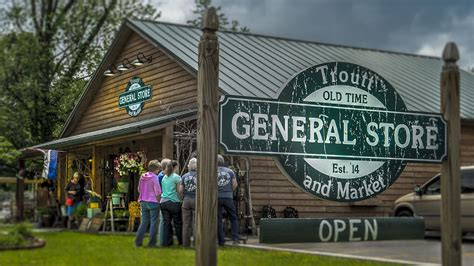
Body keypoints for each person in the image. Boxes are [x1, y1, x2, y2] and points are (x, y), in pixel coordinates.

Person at [135, 160, 162, 247]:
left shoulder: (142, 176)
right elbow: (157, 192)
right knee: (154, 223)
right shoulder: (155, 177)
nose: (159, 171)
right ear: (156, 169)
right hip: (153, 202)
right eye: (158, 169)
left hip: (143, 201)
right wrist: (159, 201)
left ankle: (138, 242)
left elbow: (139, 189)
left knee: (144, 222)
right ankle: (152, 243)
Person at [217, 155, 239, 246]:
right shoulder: (230, 171)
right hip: (228, 198)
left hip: (217, 198)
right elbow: (235, 184)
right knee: (233, 218)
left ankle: (221, 241)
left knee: (218, 219)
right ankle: (235, 239)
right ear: (223, 162)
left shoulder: (212, 171)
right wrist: (229, 191)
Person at [160, 161, 183, 246]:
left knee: (167, 223)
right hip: (174, 202)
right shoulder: (177, 178)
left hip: (163, 202)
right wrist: (182, 199)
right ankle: (181, 242)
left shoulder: (164, 177)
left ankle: (167, 242)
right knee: (177, 223)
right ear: (175, 167)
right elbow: (179, 191)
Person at [181, 158, 197, 247]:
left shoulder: (184, 176)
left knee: (186, 224)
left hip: (186, 200)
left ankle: (185, 244)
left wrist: (183, 198)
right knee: (196, 223)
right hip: (197, 200)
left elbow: (181, 190)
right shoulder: (200, 175)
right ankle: (196, 243)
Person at [158, 158, 171, 246]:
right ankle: (162, 241)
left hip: (165, 200)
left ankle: (166, 241)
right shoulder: (161, 176)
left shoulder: (162, 175)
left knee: (165, 221)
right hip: (164, 200)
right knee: (163, 221)